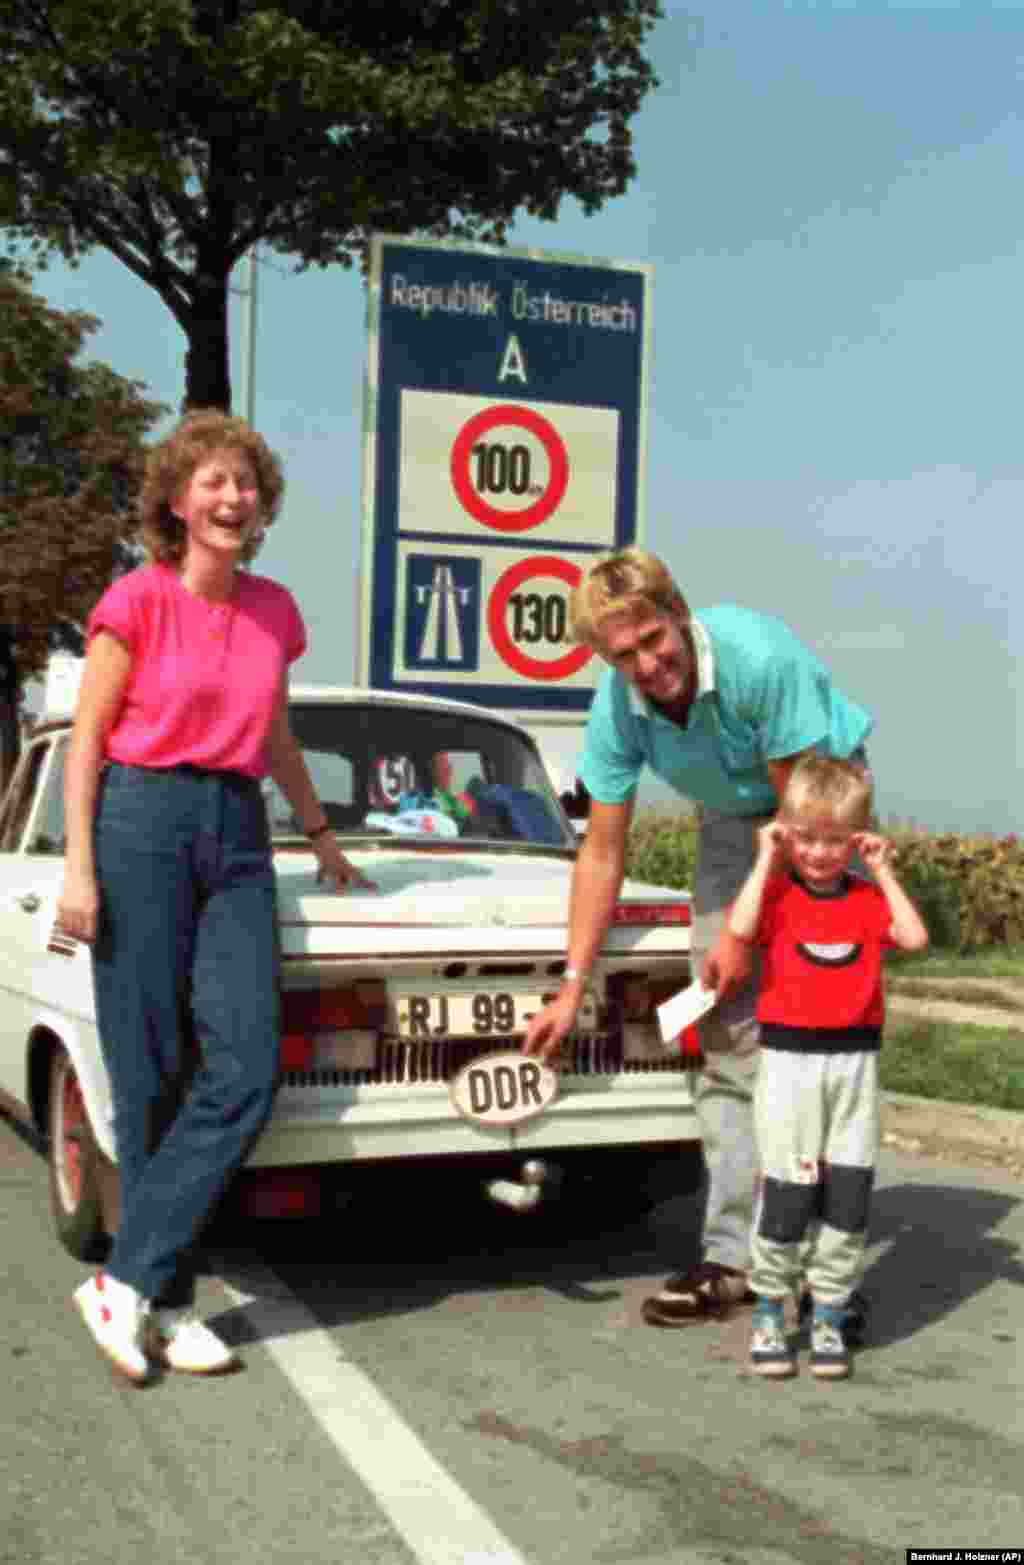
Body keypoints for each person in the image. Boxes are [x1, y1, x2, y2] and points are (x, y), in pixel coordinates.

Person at [59, 409, 369, 1384]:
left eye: (246, 483)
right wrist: (78, 864)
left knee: (242, 1063)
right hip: (140, 820)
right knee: (148, 1070)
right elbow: (89, 738)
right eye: (213, 483)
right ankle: (171, 1295)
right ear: (178, 500)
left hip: (236, 828)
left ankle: (125, 1279)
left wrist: (320, 834)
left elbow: (273, 730)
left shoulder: (274, 609)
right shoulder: (136, 599)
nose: (232, 498)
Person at [523, 547, 874, 1328]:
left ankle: (823, 1267)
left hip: (817, 805)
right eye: (625, 654)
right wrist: (572, 984)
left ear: (678, 610)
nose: (649, 663)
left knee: (811, 1033)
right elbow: (602, 851)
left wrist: (744, 934)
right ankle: (732, 1257)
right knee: (723, 1036)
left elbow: (800, 824)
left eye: (655, 638)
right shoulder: (617, 709)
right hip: (731, 819)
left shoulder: (757, 657)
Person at [728, 756, 928, 1379]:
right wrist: (767, 857)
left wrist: (882, 870)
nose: (819, 853)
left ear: (856, 838)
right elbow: (739, 927)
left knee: (848, 1194)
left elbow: (915, 939)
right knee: (787, 1191)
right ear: (788, 833)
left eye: (835, 839)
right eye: (807, 838)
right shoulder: (779, 895)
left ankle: (830, 1313)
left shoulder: (866, 899)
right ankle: (769, 1309)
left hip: (854, 1064)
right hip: (790, 1064)